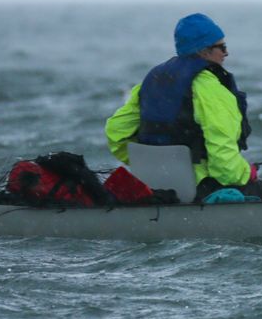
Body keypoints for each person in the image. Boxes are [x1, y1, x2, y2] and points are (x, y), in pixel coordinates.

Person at [106, 13, 254, 194]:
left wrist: (152, 165)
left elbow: (116, 132)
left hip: (155, 187)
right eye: (221, 47)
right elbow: (223, 159)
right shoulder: (210, 88)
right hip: (202, 188)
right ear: (204, 51)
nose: (226, 53)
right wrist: (247, 174)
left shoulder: (151, 81)